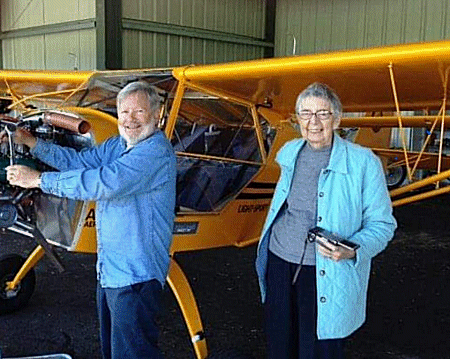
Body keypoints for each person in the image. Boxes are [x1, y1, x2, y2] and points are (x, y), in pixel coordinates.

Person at [4, 81, 176, 359]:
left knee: (134, 353)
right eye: (124, 112)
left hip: (135, 275)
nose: (130, 120)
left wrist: (38, 180)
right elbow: (80, 163)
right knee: (114, 350)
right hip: (111, 270)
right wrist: (32, 142)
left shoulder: (154, 152)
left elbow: (104, 182)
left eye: (139, 112)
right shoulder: (118, 145)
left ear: (156, 116)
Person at [255, 82, 397, 359]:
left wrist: (353, 248)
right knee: (280, 345)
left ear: (337, 118)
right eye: (306, 114)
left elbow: (384, 224)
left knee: (320, 350)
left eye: (323, 113)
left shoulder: (364, 162)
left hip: (327, 270)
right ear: (297, 119)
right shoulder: (289, 153)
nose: (314, 122)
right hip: (280, 262)